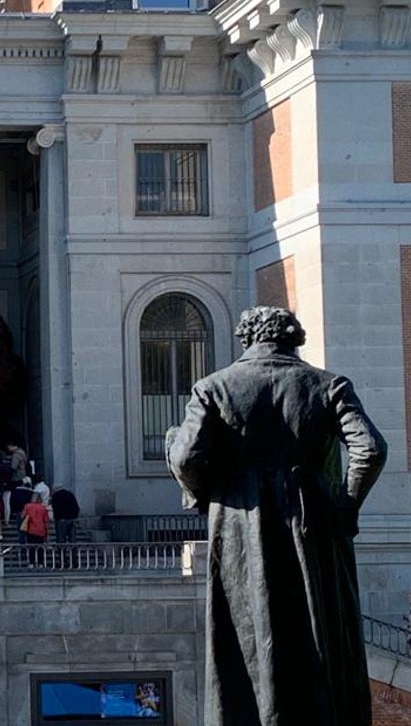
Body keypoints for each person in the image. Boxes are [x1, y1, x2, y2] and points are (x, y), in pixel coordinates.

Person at [167, 306, 387, 726]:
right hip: (313, 523)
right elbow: (370, 449)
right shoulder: (327, 385)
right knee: (318, 631)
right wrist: (345, 504)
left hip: (237, 525)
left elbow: (185, 459)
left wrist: (203, 492)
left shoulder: (214, 387)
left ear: (246, 338)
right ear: (294, 338)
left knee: (245, 634)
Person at [19, 492, 50, 566]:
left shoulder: (27, 506)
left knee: (31, 547)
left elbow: (22, 516)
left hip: (30, 530)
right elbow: (46, 521)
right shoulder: (43, 508)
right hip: (41, 530)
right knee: (40, 548)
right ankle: (40, 563)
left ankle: (31, 563)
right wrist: (47, 532)